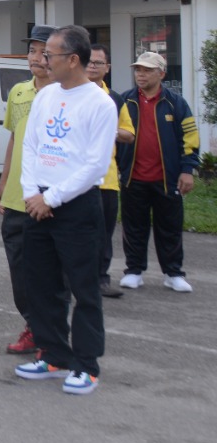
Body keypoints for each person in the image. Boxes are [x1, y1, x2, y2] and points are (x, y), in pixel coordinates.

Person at [14, 25, 117, 395]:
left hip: (75, 205)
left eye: (51, 55)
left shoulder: (100, 103)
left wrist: (51, 198)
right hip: (37, 200)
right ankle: (54, 354)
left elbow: (95, 165)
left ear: (73, 59)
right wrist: (31, 192)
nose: (44, 60)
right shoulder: (47, 95)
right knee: (42, 284)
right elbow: (31, 146)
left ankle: (86, 365)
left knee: (84, 288)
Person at [0, 25, 55, 356]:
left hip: (48, 198)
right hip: (17, 198)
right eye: (32, 51)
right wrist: (2, 184)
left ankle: (50, 334)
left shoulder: (66, 93)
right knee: (20, 273)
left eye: (44, 52)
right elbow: (14, 139)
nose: (37, 58)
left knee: (48, 272)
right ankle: (34, 325)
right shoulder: (18, 92)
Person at [116, 51, 199, 293]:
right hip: (133, 177)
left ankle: (173, 273)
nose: (140, 74)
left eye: (147, 70)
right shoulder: (126, 101)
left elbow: (190, 138)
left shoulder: (176, 102)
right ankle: (134, 271)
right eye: (138, 70)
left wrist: (187, 169)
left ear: (161, 73)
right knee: (133, 227)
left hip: (168, 179)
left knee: (170, 227)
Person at [85, 43, 136, 298]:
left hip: (106, 179)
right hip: (78, 180)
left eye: (99, 63)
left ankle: (101, 279)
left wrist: (109, 130)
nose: (93, 66)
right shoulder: (72, 94)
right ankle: (76, 279)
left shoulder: (115, 99)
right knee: (78, 233)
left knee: (104, 233)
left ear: (108, 68)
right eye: (90, 62)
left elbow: (129, 133)